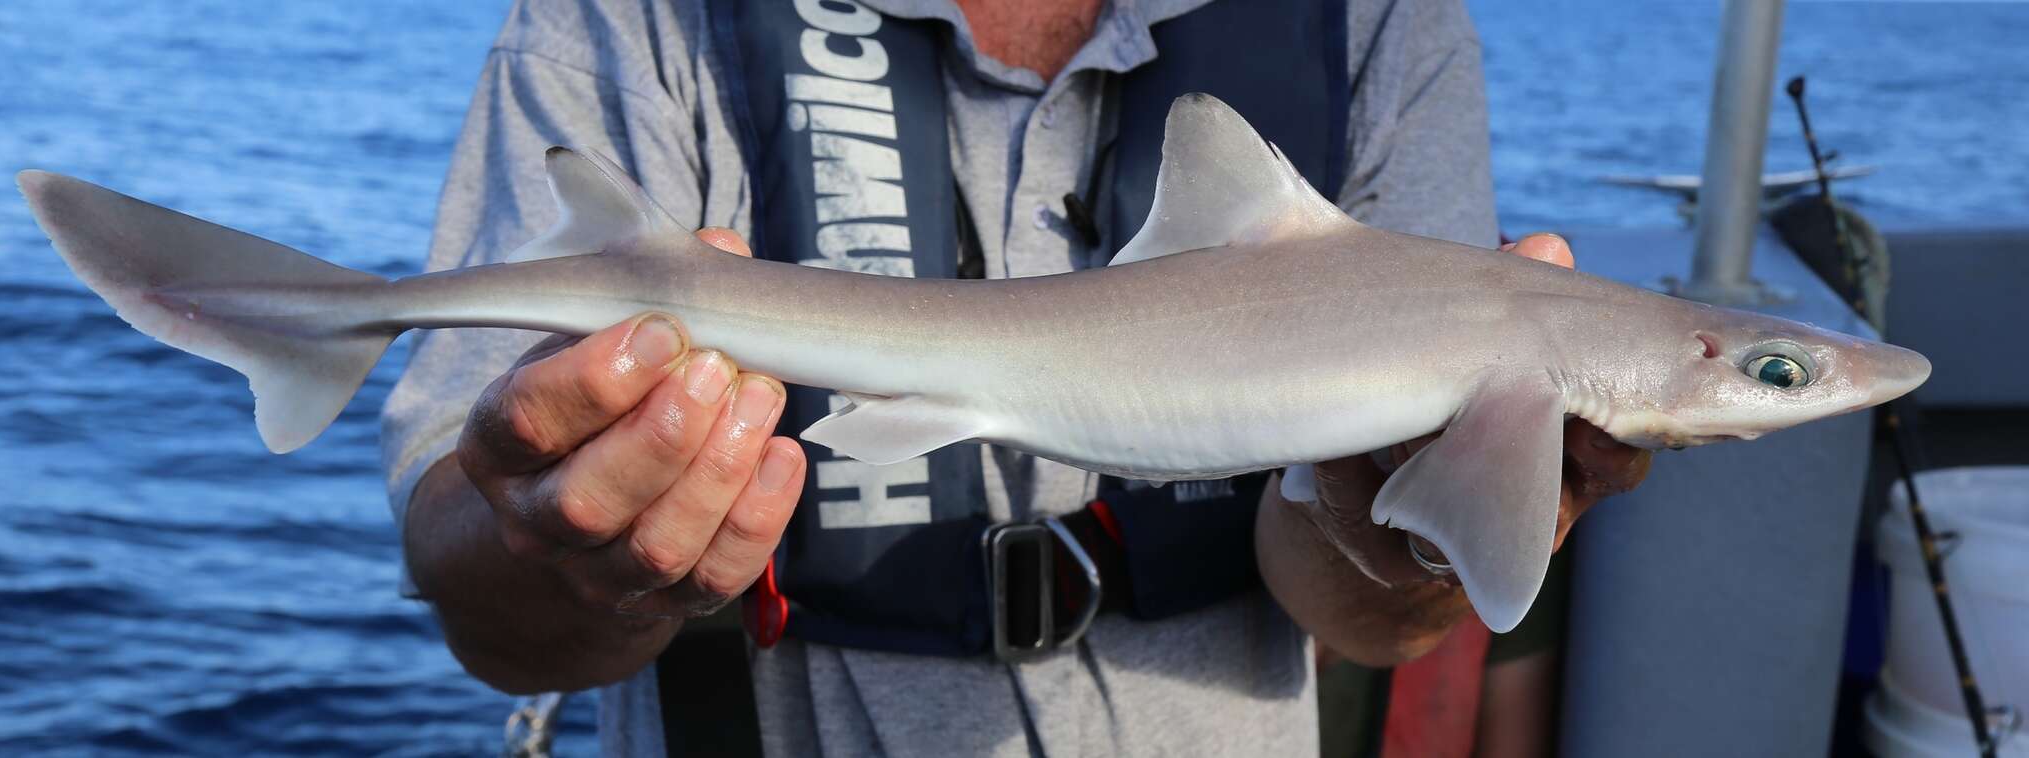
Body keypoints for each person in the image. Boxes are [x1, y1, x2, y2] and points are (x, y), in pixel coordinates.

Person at [379, 0, 1652, 755]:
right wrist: (552, 530)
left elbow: (1373, 619)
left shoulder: (1365, 20)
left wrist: (1423, 526)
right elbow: (483, 605)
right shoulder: (642, 17)